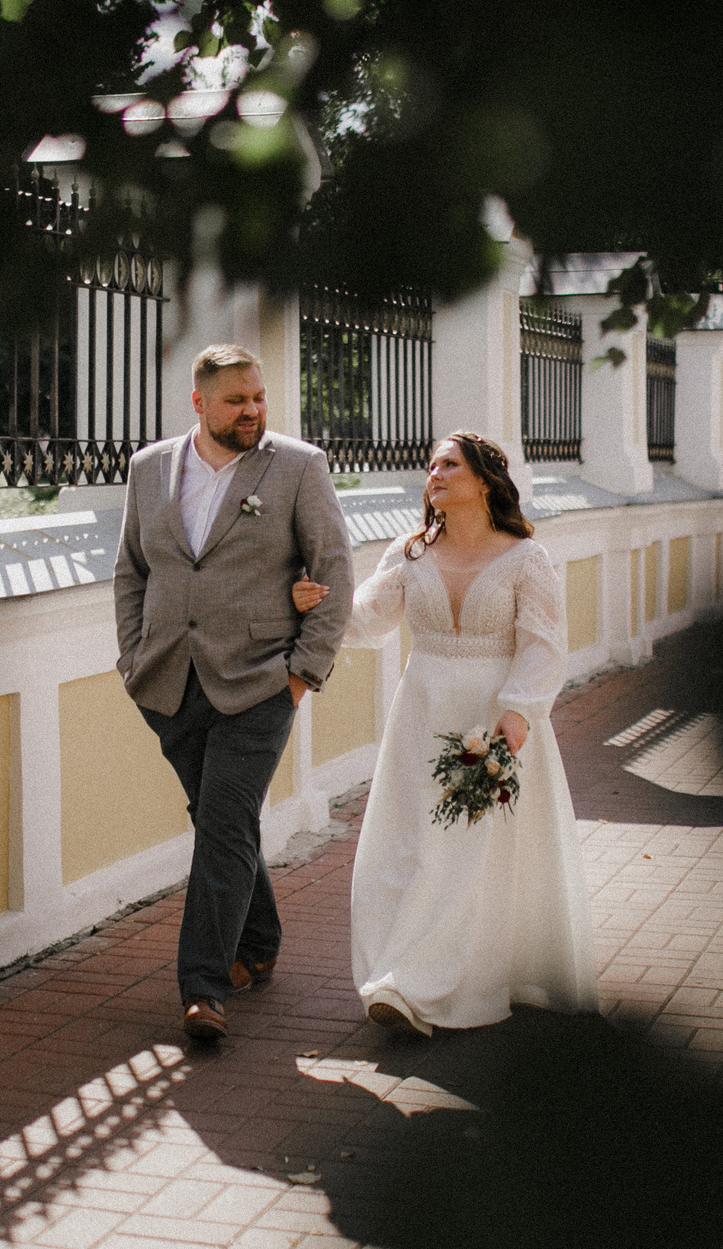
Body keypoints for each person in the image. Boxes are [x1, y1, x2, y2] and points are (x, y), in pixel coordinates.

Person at [289, 431, 599, 1035]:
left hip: (493, 720)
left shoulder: (524, 558)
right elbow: (366, 621)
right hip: (421, 716)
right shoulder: (409, 554)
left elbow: (543, 645)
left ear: (483, 481)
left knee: (472, 853)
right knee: (413, 845)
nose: (434, 473)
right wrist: (313, 602)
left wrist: (517, 711)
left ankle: (425, 985)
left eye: (449, 464)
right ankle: (399, 975)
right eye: (430, 464)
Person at [114, 344, 357, 1042]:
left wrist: (301, 673)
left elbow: (333, 572)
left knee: (222, 821)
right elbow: (132, 570)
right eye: (236, 401)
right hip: (166, 679)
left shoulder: (298, 466)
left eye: (258, 397)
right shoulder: (149, 467)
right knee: (220, 818)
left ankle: (204, 986)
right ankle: (259, 942)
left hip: (259, 681)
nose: (252, 410)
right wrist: (133, 657)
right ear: (199, 403)